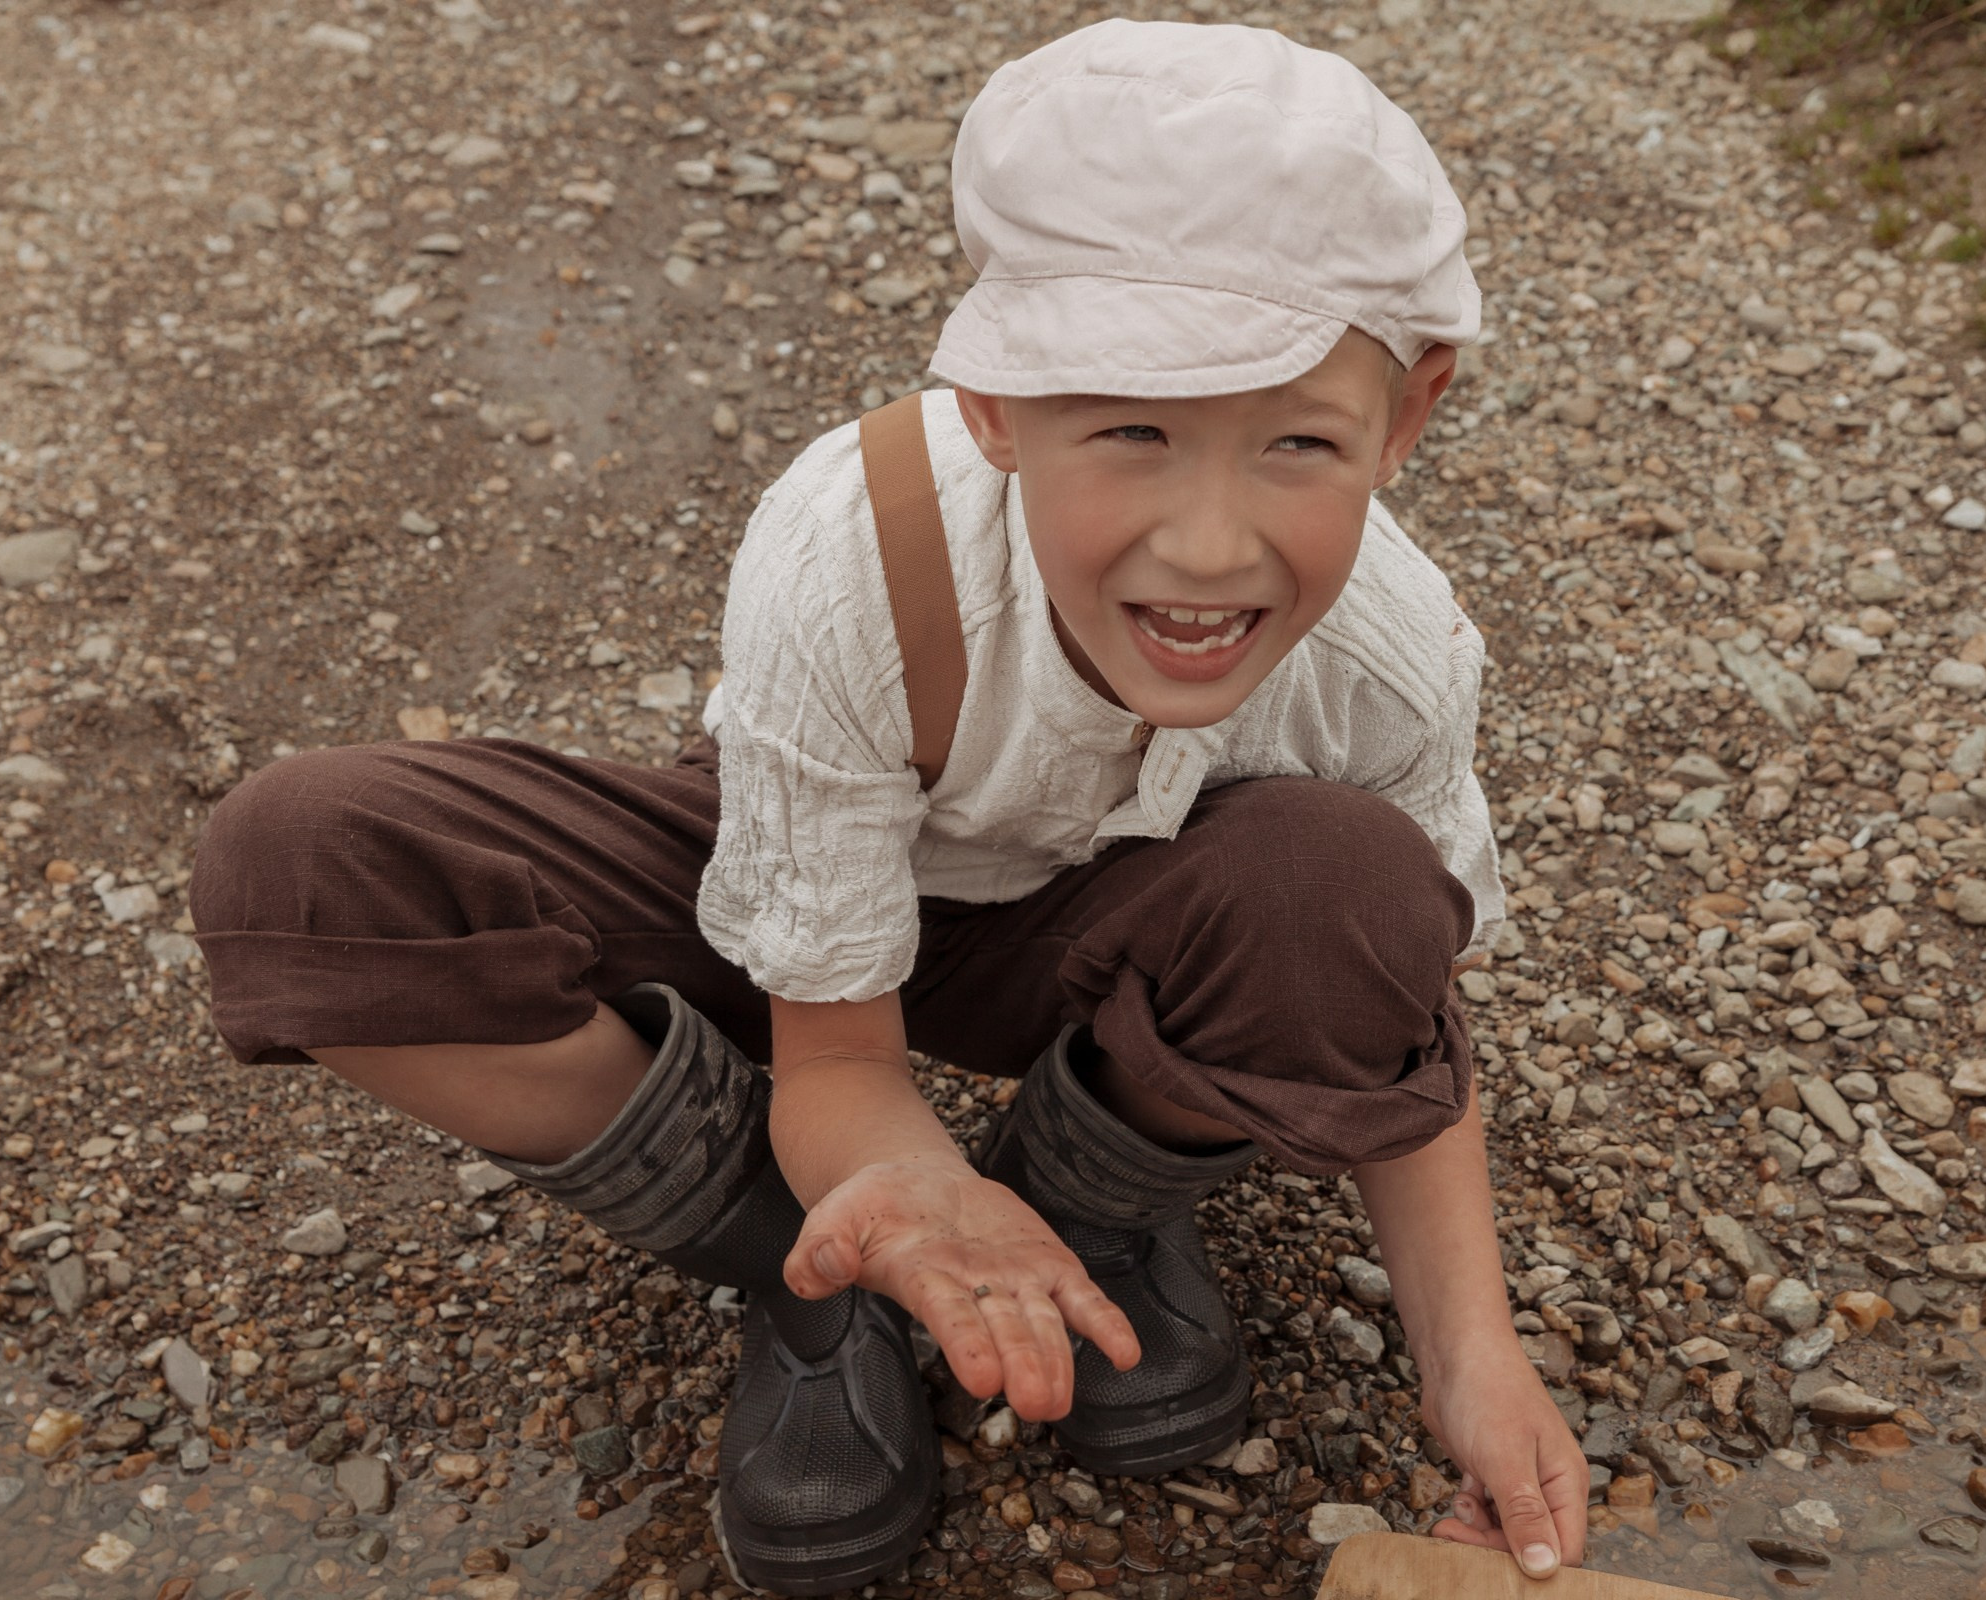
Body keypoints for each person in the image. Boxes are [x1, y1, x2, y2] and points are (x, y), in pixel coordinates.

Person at [190, 18, 1588, 1595]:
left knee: (1358, 887)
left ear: (1409, 414)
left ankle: (1088, 1212)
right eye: (1132, 431)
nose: (1209, 546)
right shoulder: (849, 552)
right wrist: (895, 1182)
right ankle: (810, 1267)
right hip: (812, 900)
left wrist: (1474, 1356)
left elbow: (1409, 1010)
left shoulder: (1396, 657)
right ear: (992, 402)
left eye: (1298, 443)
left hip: (1110, 944)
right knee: (301, 864)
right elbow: (840, 1051)